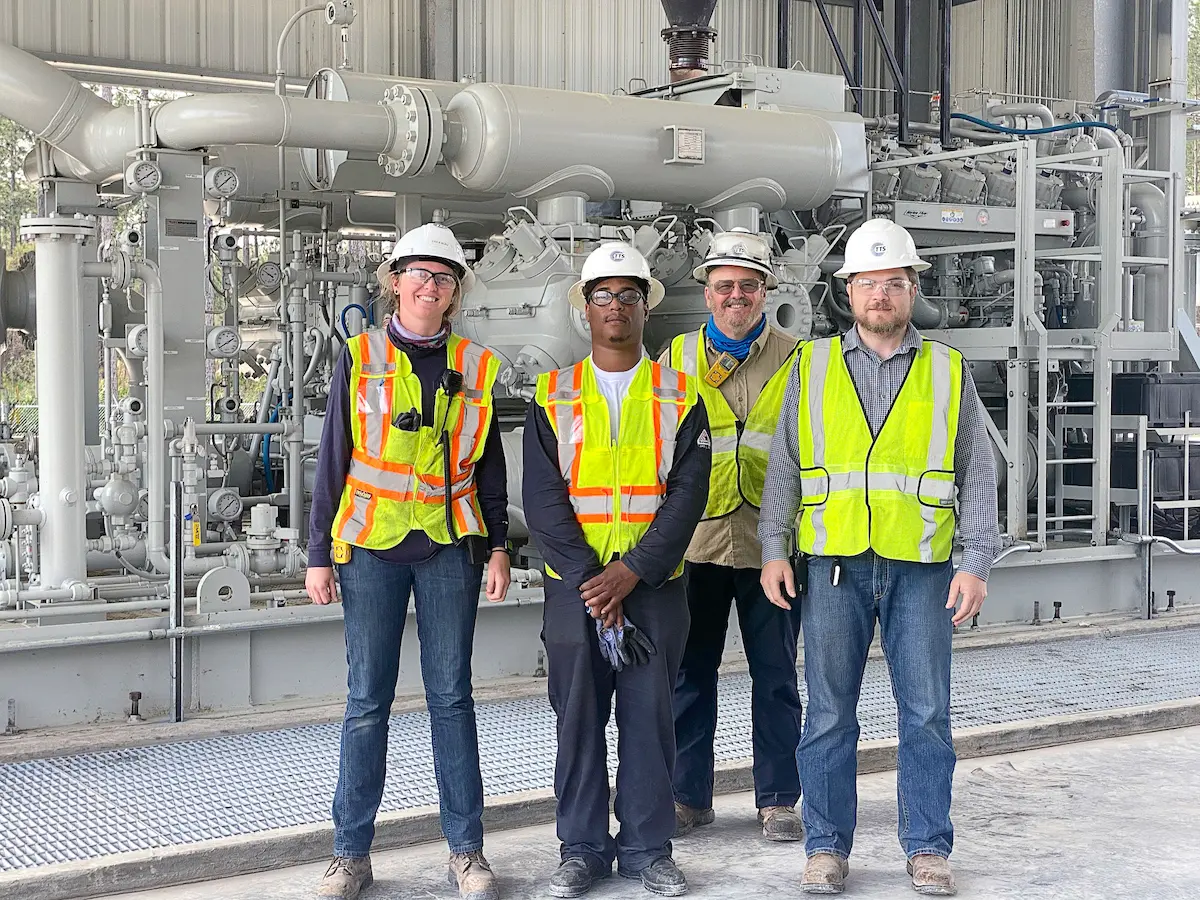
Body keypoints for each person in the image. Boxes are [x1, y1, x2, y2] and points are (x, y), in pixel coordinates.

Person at [758, 219, 1001, 896]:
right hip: (833, 565)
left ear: (911, 288)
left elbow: (978, 469)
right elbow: (784, 465)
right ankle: (826, 848)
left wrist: (977, 560)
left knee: (925, 712)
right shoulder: (810, 367)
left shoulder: (947, 370)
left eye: (894, 282)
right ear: (850, 293)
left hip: (921, 568)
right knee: (829, 713)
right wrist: (773, 549)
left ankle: (927, 848)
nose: (882, 295)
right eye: (870, 283)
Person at [306, 223, 512, 900]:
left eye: (443, 277)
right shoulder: (360, 356)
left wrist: (499, 546)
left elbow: (488, 464)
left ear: (455, 293)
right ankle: (349, 855)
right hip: (371, 551)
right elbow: (333, 454)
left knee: (452, 699)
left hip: (450, 548)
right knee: (368, 701)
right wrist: (317, 555)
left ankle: (468, 854)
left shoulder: (477, 366)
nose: (429, 286)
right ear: (394, 282)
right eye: (418, 274)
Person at [523, 242, 711, 898]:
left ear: (645, 307)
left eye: (628, 295)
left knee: (648, 719)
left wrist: (631, 573)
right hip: (577, 593)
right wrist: (590, 581)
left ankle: (647, 849)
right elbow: (542, 499)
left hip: (652, 589)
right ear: (585, 308)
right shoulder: (553, 393)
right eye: (603, 295)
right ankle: (580, 849)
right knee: (576, 721)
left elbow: (689, 495)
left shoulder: (681, 394)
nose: (615, 307)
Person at [661, 228, 804, 843]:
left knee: (776, 674)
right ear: (707, 291)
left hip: (772, 545)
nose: (736, 296)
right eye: (725, 286)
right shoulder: (673, 359)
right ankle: (688, 796)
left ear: (765, 290)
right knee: (689, 674)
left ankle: (777, 799)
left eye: (748, 285)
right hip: (695, 543)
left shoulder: (798, 357)